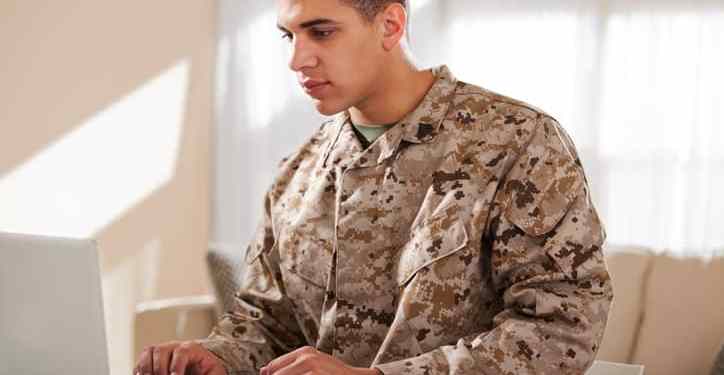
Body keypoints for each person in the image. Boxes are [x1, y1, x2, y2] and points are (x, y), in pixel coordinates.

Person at [133, 0, 613, 374]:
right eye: (289, 36)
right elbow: (268, 324)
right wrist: (217, 356)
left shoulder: (516, 141)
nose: (298, 59)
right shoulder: (297, 174)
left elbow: (563, 325)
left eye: (321, 31)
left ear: (390, 25)